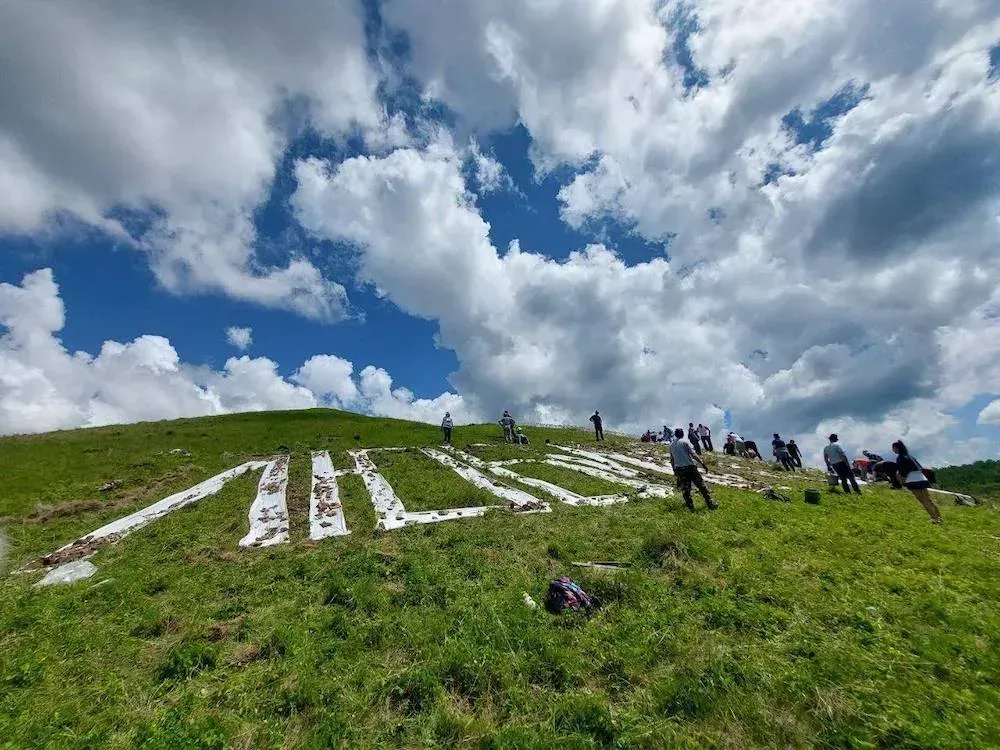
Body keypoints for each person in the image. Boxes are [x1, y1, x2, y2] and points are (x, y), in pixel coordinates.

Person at [892, 441, 941, 523]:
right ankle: (938, 516)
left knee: (923, 501)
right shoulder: (910, 456)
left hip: (913, 480)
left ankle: (935, 518)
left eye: (893, 448)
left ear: (896, 448)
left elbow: (903, 473)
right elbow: (920, 467)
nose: (893, 450)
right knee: (928, 500)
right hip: (922, 478)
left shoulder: (900, 458)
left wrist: (901, 480)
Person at [669, 428, 718, 511]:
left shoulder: (671, 445)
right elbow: (693, 455)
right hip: (690, 467)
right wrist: (702, 464)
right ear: (682, 434)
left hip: (680, 469)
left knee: (685, 489)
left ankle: (690, 507)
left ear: (675, 434)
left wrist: (674, 470)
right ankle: (710, 504)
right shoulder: (685, 443)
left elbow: (672, 459)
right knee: (701, 486)